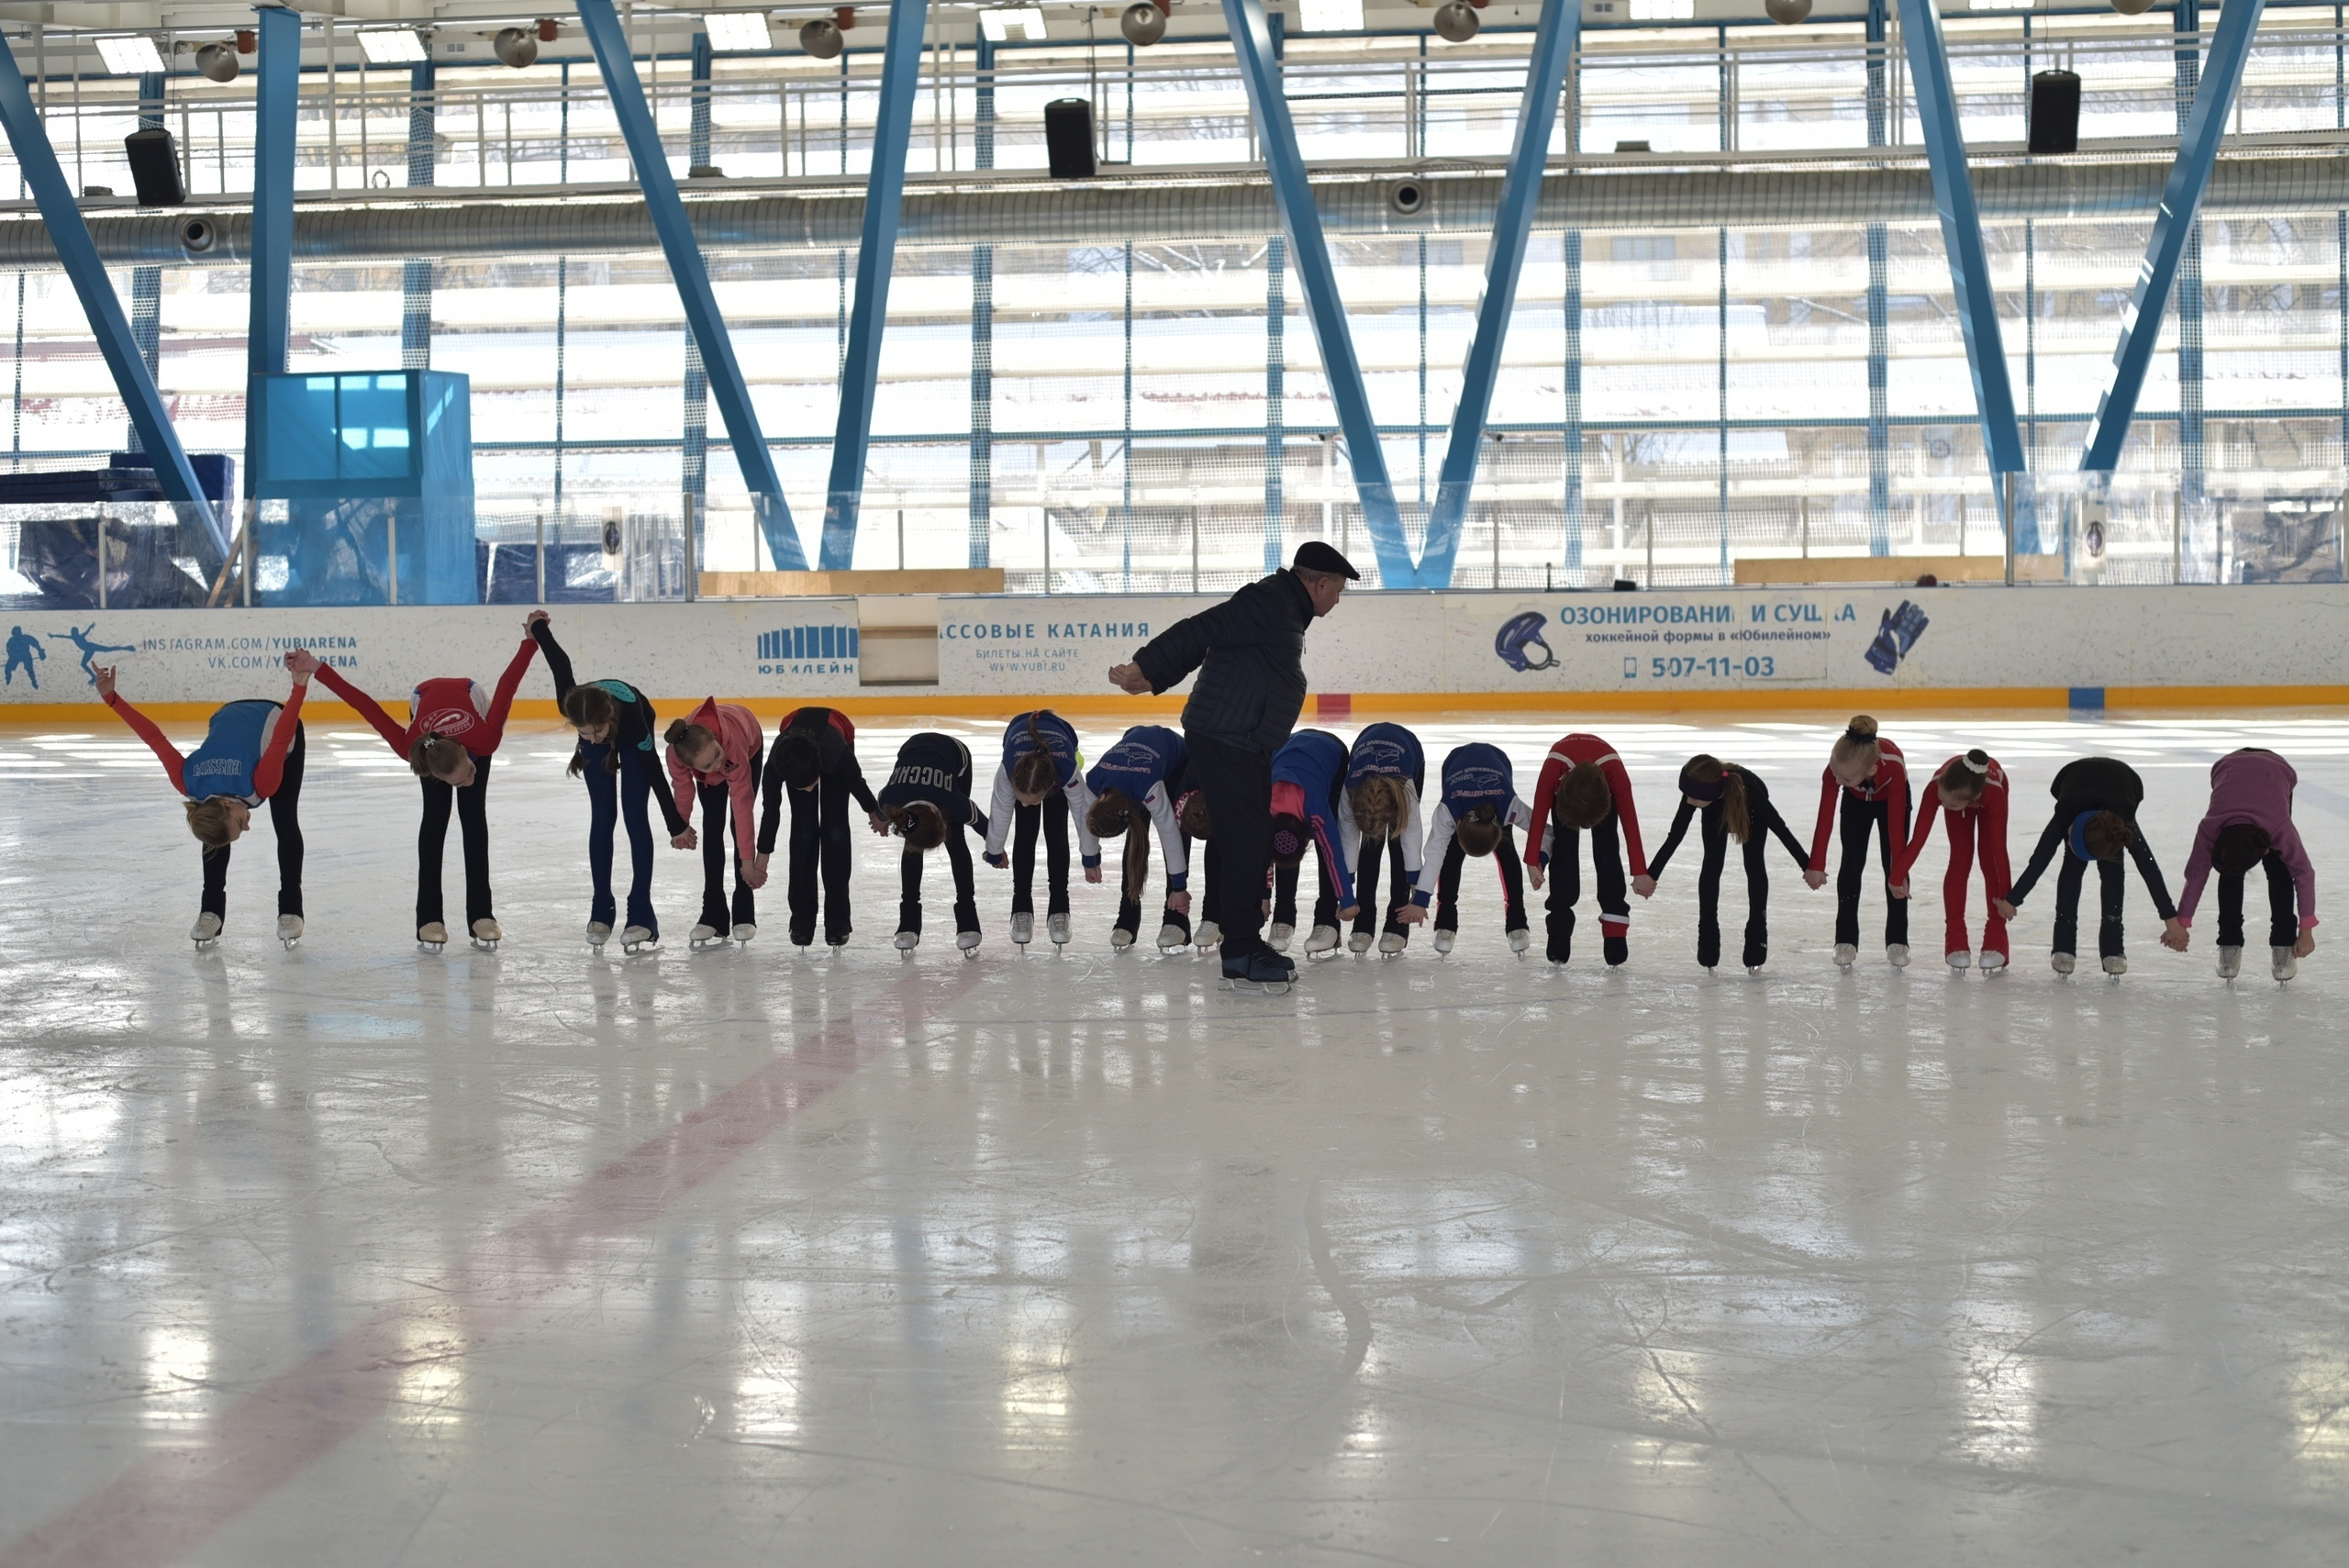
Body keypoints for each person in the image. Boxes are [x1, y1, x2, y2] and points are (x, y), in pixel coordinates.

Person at [1108, 540, 1357, 991]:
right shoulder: (1270, 601)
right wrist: (1148, 669)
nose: (1338, 600)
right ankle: (1241, 949)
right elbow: (1202, 628)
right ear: (1319, 583)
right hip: (1226, 739)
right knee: (1246, 842)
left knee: (1249, 839)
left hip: (1242, 740)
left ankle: (1242, 945)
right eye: (1337, 590)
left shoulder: (1283, 608)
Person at [306, 623, 539, 950]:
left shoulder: (485, 740)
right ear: (434, 773)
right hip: (423, 698)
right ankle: (429, 918)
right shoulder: (412, 747)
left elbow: (507, 684)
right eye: (458, 781)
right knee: (435, 819)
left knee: (473, 818)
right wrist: (317, 668)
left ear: (465, 754)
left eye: (469, 773)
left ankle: (482, 916)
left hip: (469, 695)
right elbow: (365, 705)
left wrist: (530, 641)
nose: (468, 781)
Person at [99, 651, 314, 948]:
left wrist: (299, 687)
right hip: (228, 716)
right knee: (215, 832)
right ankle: (210, 911)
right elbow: (154, 738)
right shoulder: (191, 782)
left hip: (278, 723)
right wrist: (112, 698)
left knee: (285, 820)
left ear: (226, 803)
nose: (248, 827)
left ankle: (291, 908)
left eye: (241, 823)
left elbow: (280, 739)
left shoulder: (260, 782)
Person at [530, 614, 688, 953]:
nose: (593, 737)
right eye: (583, 733)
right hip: (598, 716)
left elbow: (656, 773)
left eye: (597, 732)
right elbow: (560, 662)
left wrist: (676, 825)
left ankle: (641, 913)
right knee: (603, 817)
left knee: (634, 815)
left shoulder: (630, 721)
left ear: (608, 720)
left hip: (635, 726)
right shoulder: (574, 706)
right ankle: (601, 904)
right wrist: (538, 627)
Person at [1997, 755, 2183, 975]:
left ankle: (2113, 948)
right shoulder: (2065, 812)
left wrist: (2171, 921)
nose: (2065, 840)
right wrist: (2013, 900)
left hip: (2125, 786)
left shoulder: (2124, 818)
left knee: (2112, 866)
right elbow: (2040, 859)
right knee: (2072, 867)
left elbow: (2149, 869)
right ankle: (2064, 947)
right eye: (2069, 839)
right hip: (2074, 780)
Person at [2165, 748, 2318, 981]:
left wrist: (2305, 931)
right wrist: (2182, 923)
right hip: (2228, 768)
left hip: (2277, 771)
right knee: (2230, 867)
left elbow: (2304, 873)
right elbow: (2196, 873)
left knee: (2279, 868)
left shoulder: (2279, 827)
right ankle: (2229, 942)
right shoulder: (2210, 827)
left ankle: (2283, 943)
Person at [1647, 755, 1809, 973]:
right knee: (1712, 866)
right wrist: (1651, 875)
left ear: (1709, 792)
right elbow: (1675, 835)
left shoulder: (1750, 791)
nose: (1687, 801)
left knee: (1754, 865)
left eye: (1693, 798)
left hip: (1751, 810)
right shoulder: (1698, 794)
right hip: (1716, 811)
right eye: (1685, 794)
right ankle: (1708, 935)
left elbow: (1780, 828)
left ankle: (1757, 935)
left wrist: (1808, 866)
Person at [753, 707, 879, 950]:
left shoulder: (838, 756)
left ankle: (838, 922)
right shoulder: (778, 765)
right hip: (797, 755)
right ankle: (801, 921)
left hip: (834, 743)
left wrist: (876, 814)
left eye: (811, 784)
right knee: (803, 832)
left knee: (836, 830)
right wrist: (762, 861)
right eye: (802, 787)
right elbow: (771, 813)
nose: (810, 791)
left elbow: (856, 783)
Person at [1524, 731, 1652, 966]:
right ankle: (1559, 931)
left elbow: (1630, 825)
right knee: (1564, 853)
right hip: (1568, 790)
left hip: (1600, 790)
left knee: (1608, 852)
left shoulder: (1615, 774)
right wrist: (1533, 862)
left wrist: (1640, 872)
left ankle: (1615, 929)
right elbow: (1539, 818)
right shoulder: (1554, 769)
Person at [1397, 742, 1534, 955]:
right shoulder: (1448, 811)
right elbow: (1435, 854)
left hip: (1498, 769)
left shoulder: (1509, 807)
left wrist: (1537, 861)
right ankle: (1445, 923)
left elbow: (1542, 830)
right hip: (1455, 764)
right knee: (1451, 854)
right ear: (1458, 825)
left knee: (1507, 854)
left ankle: (1518, 923)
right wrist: (1421, 900)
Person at [1804, 715, 1915, 969]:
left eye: (1846, 779)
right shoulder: (1838, 770)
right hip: (1856, 804)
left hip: (1891, 803)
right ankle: (1845, 939)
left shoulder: (1893, 767)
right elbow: (1825, 817)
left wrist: (1899, 875)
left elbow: (1897, 833)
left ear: (1872, 769)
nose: (1838, 782)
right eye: (1836, 776)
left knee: (1893, 869)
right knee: (1851, 866)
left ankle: (1898, 939)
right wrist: (1816, 864)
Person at [981, 710, 1098, 947]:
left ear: (1049, 788)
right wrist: (994, 850)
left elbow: (1082, 814)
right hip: (1024, 761)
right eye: (1020, 798)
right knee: (1025, 834)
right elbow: (1000, 810)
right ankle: (1021, 907)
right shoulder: (1008, 772)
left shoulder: (1067, 772)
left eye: (1032, 800)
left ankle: (1059, 909)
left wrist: (1090, 858)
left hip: (1058, 758)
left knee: (1056, 835)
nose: (1023, 804)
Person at [664, 699, 768, 948]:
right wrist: (682, 826)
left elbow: (743, 808)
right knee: (712, 825)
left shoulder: (732, 747)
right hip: (708, 758)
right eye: (708, 766)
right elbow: (683, 788)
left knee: (736, 825)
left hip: (746, 744)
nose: (718, 767)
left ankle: (744, 911)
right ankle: (713, 914)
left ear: (716, 741)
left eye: (717, 757)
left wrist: (748, 864)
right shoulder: (676, 754)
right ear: (689, 766)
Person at [876, 731, 990, 954]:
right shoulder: (892, 798)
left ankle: (968, 920)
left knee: (956, 839)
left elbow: (985, 825)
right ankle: (908, 922)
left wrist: (995, 850)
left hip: (955, 756)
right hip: (911, 751)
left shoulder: (955, 803)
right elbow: (881, 804)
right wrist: (881, 818)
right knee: (912, 845)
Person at [1082, 723, 1192, 951]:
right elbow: (1088, 821)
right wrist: (1090, 858)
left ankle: (1176, 919)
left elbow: (1169, 833)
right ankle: (1128, 913)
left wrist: (1179, 888)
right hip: (1135, 741)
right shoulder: (1094, 780)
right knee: (1136, 837)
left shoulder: (1147, 785)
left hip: (1179, 761)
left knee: (1177, 826)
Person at [1905, 748, 2011, 972]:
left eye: (1950, 805)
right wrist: (1897, 877)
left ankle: (1996, 932)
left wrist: (2008, 898)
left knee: (1988, 860)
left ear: (1974, 799)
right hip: (1958, 793)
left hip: (1989, 795)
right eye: (1942, 802)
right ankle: (1955, 937)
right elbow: (1918, 839)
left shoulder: (1993, 792)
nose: (1944, 806)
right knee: (1960, 860)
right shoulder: (1938, 788)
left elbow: (2000, 851)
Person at [1267, 728, 1362, 957]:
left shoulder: (1316, 807)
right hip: (1287, 746)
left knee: (1326, 841)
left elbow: (1333, 853)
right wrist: (1263, 894)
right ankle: (1283, 917)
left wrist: (1347, 900)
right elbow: (1259, 854)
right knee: (1281, 852)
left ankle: (1328, 921)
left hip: (1330, 751)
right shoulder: (1262, 805)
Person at [1344, 721, 1426, 955]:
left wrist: (1416, 889)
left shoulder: (1406, 790)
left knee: (1399, 842)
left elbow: (1413, 837)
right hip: (1365, 752)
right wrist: (1346, 889)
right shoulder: (1350, 788)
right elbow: (1348, 836)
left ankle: (1396, 925)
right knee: (1371, 846)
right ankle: (1364, 922)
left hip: (1409, 752)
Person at [1176, 786, 1219, 950]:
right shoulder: (1179, 803)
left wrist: (1262, 896)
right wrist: (1178, 888)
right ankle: (1175, 919)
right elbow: (1171, 841)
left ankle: (1216, 915)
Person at [50, 623, 136, 684]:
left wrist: (90, 627)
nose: (73, 633)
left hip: (90, 647)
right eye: (73, 632)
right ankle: (93, 677)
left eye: (74, 631)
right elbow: (63, 636)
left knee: (107, 649)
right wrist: (53, 636)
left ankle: (127, 647)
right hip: (89, 649)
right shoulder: (74, 637)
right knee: (84, 664)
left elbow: (86, 632)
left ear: (75, 632)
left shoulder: (78, 636)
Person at [5, 624, 45, 688]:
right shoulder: (11, 640)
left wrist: (40, 652)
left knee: (29, 669)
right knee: (7, 668)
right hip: (15, 656)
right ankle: (8, 677)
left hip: (25, 655)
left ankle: (33, 681)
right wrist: (11, 656)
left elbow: (35, 643)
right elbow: (8, 649)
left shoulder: (26, 638)